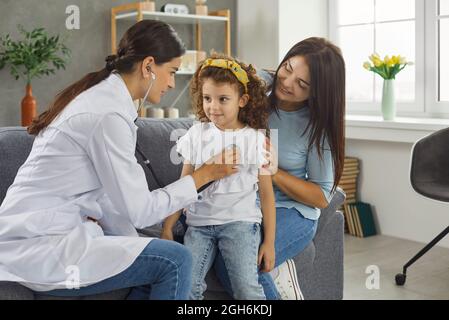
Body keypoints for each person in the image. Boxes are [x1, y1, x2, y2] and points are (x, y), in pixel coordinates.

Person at [0, 20, 239, 300]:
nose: (173, 83)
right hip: (40, 244)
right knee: (176, 259)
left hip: (48, 233)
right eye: (171, 72)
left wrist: (136, 243)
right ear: (148, 66)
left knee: (154, 257)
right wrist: (203, 175)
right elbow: (140, 210)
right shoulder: (108, 115)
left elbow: (111, 201)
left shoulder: (104, 101)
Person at [213, 37, 346, 300]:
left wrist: (273, 171)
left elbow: (321, 197)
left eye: (302, 84)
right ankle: (278, 277)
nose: (286, 82)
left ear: (317, 92)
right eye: (287, 68)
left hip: (292, 211)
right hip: (245, 203)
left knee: (236, 264)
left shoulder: (316, 128)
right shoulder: (255, 96)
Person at [161, 54, 276, 300]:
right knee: (186, 289)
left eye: (223, 99)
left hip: (240, 225)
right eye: (207, 98)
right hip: (198, 226)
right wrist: (168, 227)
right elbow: (184, 184)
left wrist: (269, 242)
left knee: (247, 290)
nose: (213, 107)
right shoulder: (195, 134)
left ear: (242, 100)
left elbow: (266, 195)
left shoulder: (256, 140)